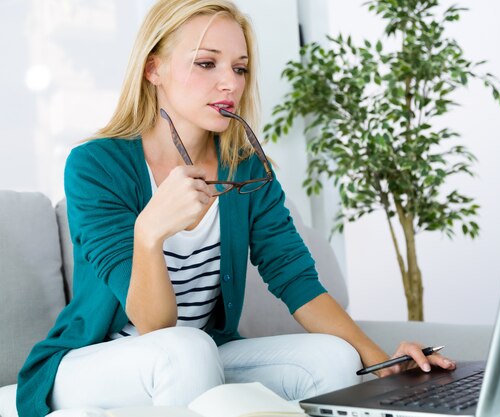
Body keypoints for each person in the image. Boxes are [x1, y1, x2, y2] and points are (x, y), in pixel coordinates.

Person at [16, 1, 455, 416]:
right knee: (186, 348)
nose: (231, 82)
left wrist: (382, 363)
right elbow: (155, 324)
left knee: (334, 357)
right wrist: (149, 233)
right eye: (206, 63)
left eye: (239, 68)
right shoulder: (96, 164)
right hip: (94, 361)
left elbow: (295, 278)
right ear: (154, 68)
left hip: (204, 350)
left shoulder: (245, 169)